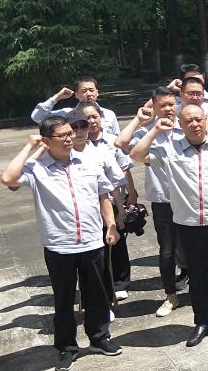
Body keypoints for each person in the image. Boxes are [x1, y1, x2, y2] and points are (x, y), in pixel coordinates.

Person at [1, 117, 122, 371]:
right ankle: (67, 347)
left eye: (71, 133)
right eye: (63, 135)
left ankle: (100, 337)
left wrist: (110, 224)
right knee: (64, 299)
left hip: (91, 241)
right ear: (46, 140)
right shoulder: (36, 168)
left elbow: (103, 195)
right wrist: (29, 146)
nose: (70, 138)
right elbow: (8, 178)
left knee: (97, 295)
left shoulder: (88, 161)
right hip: (59, 245)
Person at [129, 105, 208, 347]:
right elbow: (136, 154)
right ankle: (202, 322)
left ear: (206, 119)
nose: (194, 124)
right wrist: (155, 129)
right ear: (180, 124)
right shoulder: (169, 149)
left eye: (198, 119)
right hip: (188, 225)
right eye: (188, 121)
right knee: (196, 276)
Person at [113, 87, 189, 316]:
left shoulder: (187, 126)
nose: (168, 109)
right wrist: (142, 121)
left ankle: (198, 292)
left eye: (171, 104)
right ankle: (171, 296)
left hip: (189, 199)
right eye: (162, 105)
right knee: (167, 250)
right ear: (154, 107)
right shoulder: (147, 131)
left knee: (194, 248)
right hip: (163, 201)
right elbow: (121, 144)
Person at [68, 102, 137, 301]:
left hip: (106, 206)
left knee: (113, 247)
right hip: (78, 213)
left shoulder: (102, 151)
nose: (81, 130)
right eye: (75, 127)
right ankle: (93, 295)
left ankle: (115, 287)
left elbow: (114, 183)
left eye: (84, 126)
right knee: (88, 256)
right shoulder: (63, 154)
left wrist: (121, 211)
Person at [31, 76, 121, 135]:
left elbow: (116, 139)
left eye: (91, 90)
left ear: (97, 92)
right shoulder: (66, 114)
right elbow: (37, 117)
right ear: (76, 94)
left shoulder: (109, 114)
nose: (88, 94)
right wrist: (57, 97)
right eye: (84, 91)